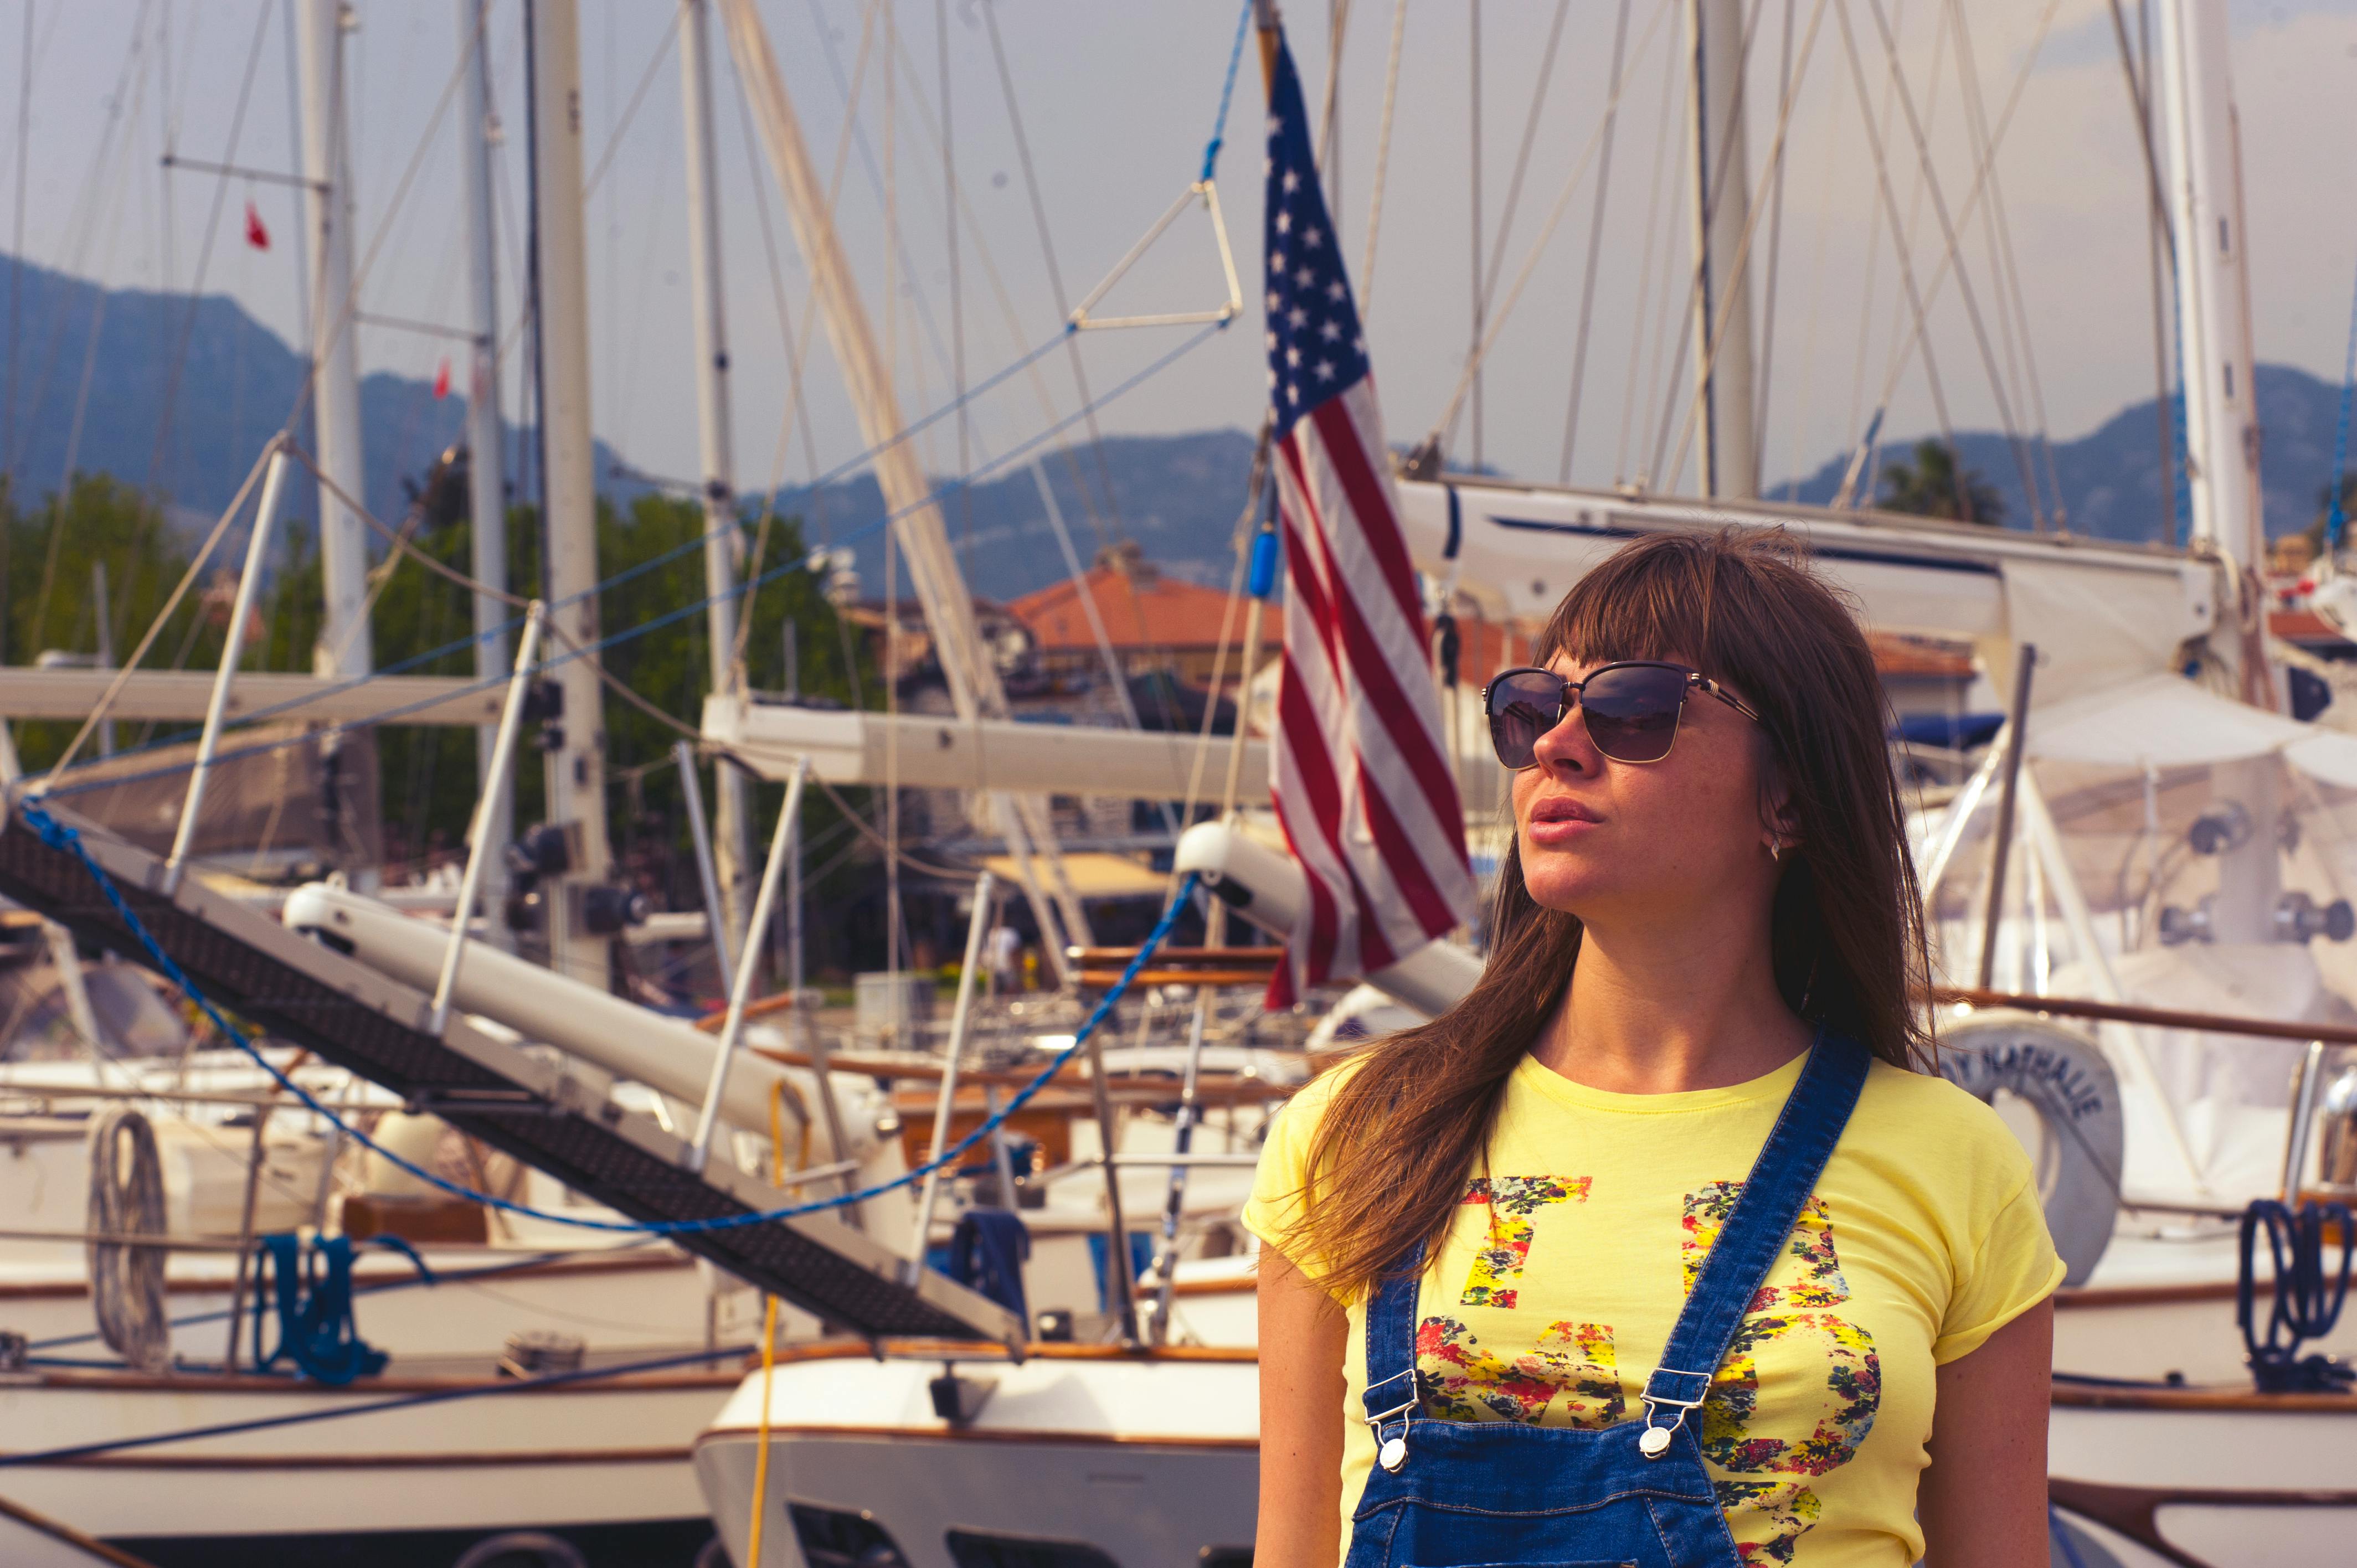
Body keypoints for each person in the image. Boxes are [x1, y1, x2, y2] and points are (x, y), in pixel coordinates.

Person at [1246, 532, 2060, 1567]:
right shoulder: (1355, 1136)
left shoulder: (1956, 1164)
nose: (1558, 744)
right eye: (1535, 709)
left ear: (1792, 798)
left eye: (1637, 709)